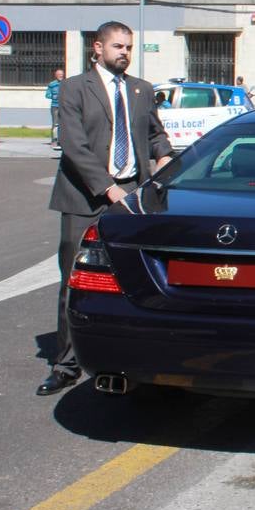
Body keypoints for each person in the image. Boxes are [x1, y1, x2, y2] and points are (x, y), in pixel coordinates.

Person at [38, 21, 173, 396]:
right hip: (86, 198)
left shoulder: (141, 89)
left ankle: (141, 357)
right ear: (97, 47)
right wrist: (108, 188)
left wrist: (163, 157)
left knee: (140, 279)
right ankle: (65, 365)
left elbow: (155, 134)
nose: (124, 53)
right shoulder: (73, 89)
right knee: (74, 281)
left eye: (128, 47)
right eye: (117, 46)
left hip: (133, 197)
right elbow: (73, 145)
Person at [45, 68, 64, 149]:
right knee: (55, 124)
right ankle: (54, 140)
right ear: (56, 75)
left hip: (64, 106)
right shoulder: (52, 84)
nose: (61, 76)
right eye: (59, 74)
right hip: (55, 106)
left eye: (62, 74)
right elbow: (47, 95)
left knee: (64, 124)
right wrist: (53, 96)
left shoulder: (66, 83)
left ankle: (62, 141)